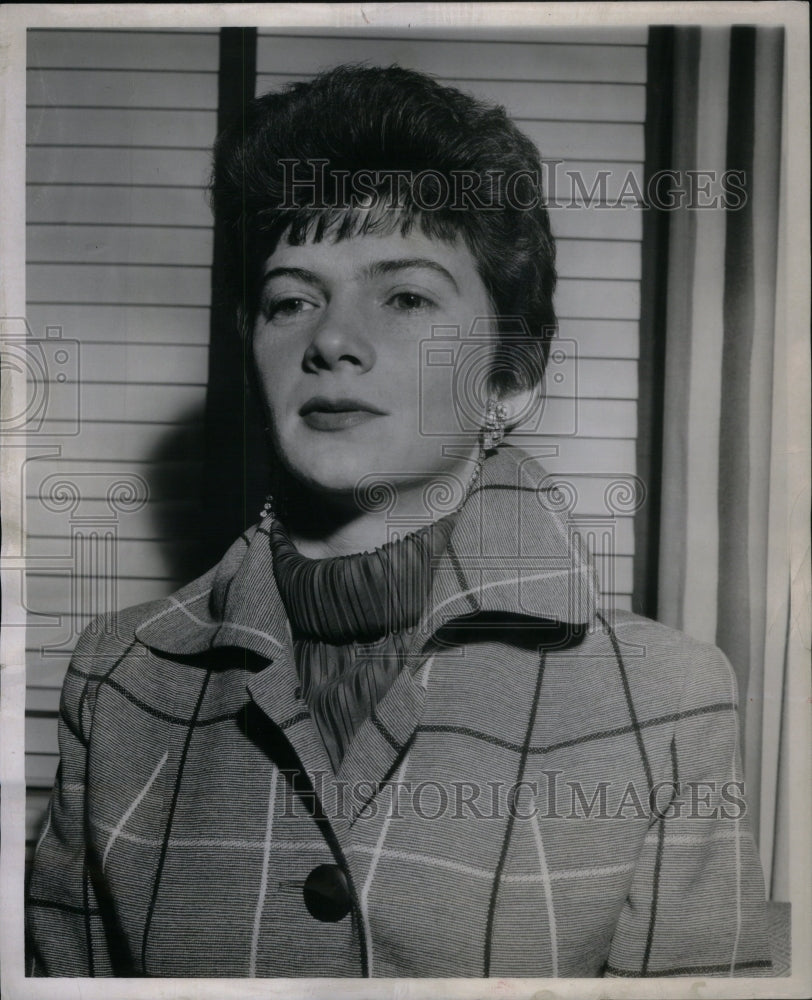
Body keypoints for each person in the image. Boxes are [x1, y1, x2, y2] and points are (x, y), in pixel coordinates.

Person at [26, 64, 773, 979]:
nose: (332, 339)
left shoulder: (665, 698)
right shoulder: (118, 677)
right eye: (291, 299)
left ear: (513, 376)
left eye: (406, 296)